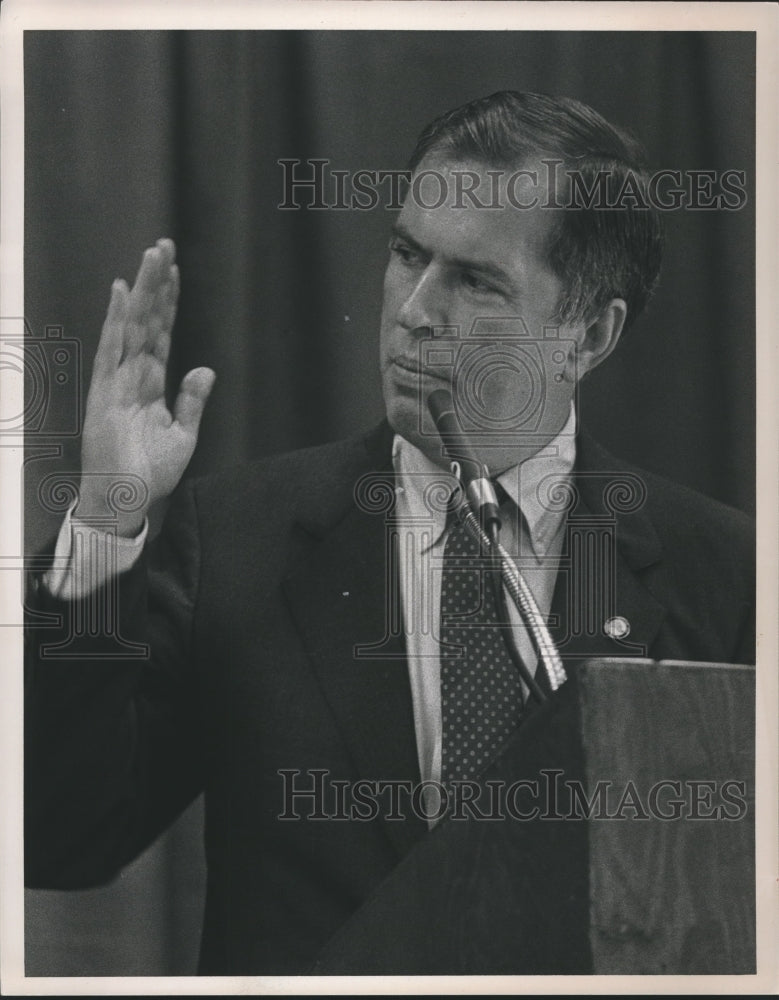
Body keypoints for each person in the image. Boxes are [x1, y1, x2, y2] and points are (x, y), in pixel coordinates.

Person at [24, 92, 755, 975]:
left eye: (475, 281)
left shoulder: (728, 578)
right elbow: (56, 834)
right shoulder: (236, 538)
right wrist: (106, 519)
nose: (414, 309)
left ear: (588, 335)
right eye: (407, 254)